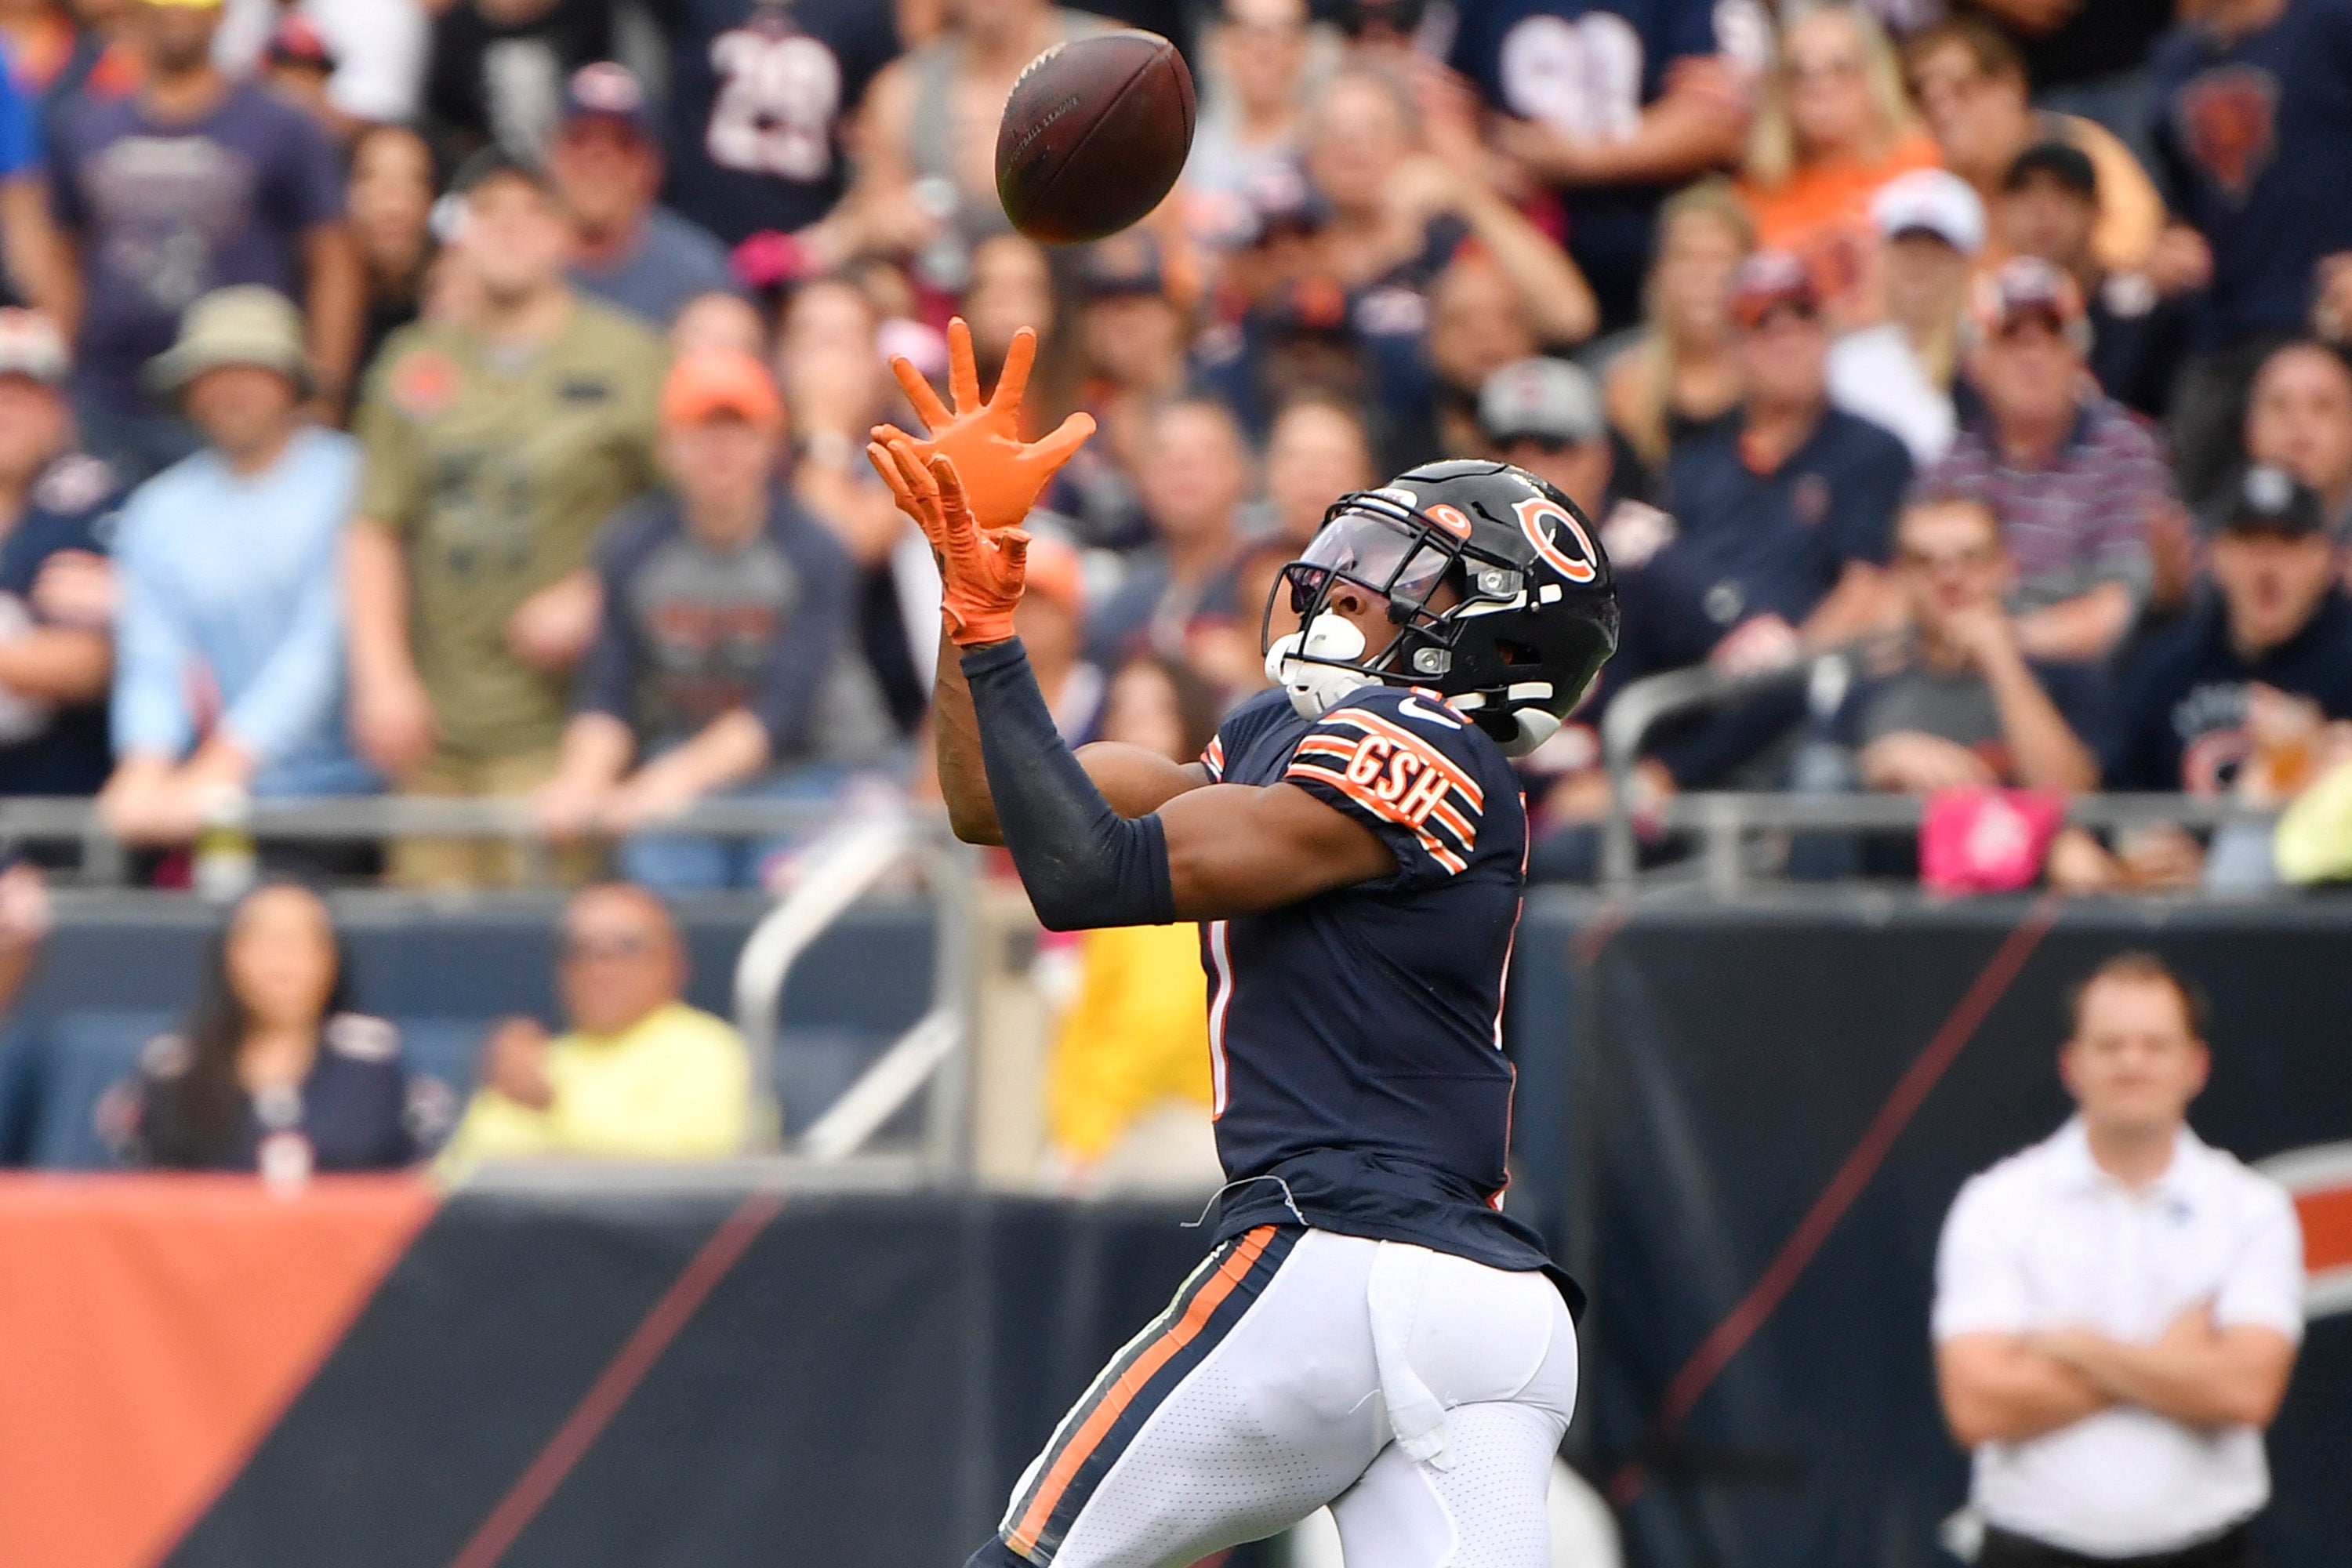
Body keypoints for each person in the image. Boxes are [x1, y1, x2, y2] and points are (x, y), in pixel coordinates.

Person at [869, 309, 1615, 1568]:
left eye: (1407, 572)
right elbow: (992, 803)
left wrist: (998, 633)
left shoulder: (1423, 745)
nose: (1342, 580)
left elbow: (1087, 874)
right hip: (1490, 1318)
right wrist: (970, 593)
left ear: (1488, 632)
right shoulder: (1279, 730)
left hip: (1336, 1258)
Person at [345, 148, 666, 889]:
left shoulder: (630, 357)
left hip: (566, 729)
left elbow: (687, 511)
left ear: (563, 232)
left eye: (531, 211)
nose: (511, 229)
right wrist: (382, 678)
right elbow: (372, 528)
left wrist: (599, 593)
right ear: (459, 234)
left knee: (543, 949)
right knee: (431, 955)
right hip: (434, 728)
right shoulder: (411, 361)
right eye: (490, 212)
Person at [1933, 954, 2302, 1568]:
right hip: (2031, 1552)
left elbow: (2246, 1392)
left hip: (2208, 1553)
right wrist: (2176, 1361)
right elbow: (1976, 1407)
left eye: (2155, 1045)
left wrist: (2078, 1348)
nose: (2132, 1063)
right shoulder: (1996, 1204)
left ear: (2196, 1065)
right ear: (2071, 1065)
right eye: (2110, 1045)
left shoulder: (2254, 1209)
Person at [535, 349, 894, 892]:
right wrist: (581, 782)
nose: (720, 452)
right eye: (701, 433)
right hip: (693, 756)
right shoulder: (633, 543)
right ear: (667, 448)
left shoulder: (812, 548)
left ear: (771, 446)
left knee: (784, 884)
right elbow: (609, 687)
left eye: (739, 432)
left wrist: (659, 785)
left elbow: (783, 712)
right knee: (660, 878)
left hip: (818, 768)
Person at [101, 289, 372, 849]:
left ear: (292, 383)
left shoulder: (353, 480)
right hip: (207, 808)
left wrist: (225, 763)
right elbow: (154, 656)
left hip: (348, 795)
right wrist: (143, 766)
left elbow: (326, 643)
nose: (233, 389)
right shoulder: (159, 508)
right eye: (214, 372)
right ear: (189, 389)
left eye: (254, 369)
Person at [47, 0, 358, 477]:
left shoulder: (282, 125)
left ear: (222, 12)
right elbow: (62, 260)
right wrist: (57, 385)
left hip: (238, 401)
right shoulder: (84, 124)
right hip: (106, 403)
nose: (175, 11)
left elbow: (334, 263)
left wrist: (324, 396)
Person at [2055, 466, 2352, 892]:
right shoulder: (2170, 664)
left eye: (2288, 544)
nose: (2267, 568)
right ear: (2215, 556)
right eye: (2250, 543)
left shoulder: (2344, 656)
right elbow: (2117, 792)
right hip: (2181, 912)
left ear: (2326, 559)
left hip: (2319, 916)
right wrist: (2140, 850)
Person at [1915, 259, 2173, 663]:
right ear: (1975, 363)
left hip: (2083, 675)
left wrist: (1999, 645)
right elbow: (1912, 589)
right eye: (2010, 337)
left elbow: (2118, 608)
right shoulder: (1953, 463)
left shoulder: (2124, 449)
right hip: (1962, 667)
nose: (2032, 355)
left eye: (2051, 336)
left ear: (2078, 355)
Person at [1449, 0, 1756, 332]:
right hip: (1521, 250)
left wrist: (1584, 160)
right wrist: (1481, 169)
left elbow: (1718, 118)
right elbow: (1436, 101)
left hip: (1647, 243)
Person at [2151, 0, 2352, 503]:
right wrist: (2170, 244)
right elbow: (2181, 198)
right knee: (2203, 520)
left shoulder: (2331, 24)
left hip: (2329, 321)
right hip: (2223, 334)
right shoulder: (2175, 59)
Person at [1042, 652, 1219, 1192]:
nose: (1134, 728)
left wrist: (1090, 1135)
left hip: (1171, 1131)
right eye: (1123, 711)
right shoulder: (1108, 854)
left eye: (1156, 711)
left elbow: (1157, 1023)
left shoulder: (1178, 847)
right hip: (1126, 1130)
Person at [1810, 496, 2107, 799]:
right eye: (1924, 562)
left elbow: (2077, 800)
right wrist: (1878, 763)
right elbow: (1816, 781)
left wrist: (2003, 661)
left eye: (1970, 558)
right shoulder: (1871, 687)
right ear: (1902, 577)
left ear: (2005, 568)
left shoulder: (2066, 679)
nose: (1949, 577)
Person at [118, 878, 422, 1174]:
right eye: (265, 941)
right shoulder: (178, 1068)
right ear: (231, 956)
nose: (283, 962)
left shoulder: (371, 1066)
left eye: (301, 941)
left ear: (331, 959)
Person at [442, 881, 754, 1160]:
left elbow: (701, 1163)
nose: (602, 968)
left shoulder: (711, 1050)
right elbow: (465, 1171)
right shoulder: (535, 1058)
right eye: (582, 950)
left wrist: (554, 1109)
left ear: (674, 963)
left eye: (627, 948)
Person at [851, 0, 1105, 288]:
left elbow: (1155, 212)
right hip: (953, 302)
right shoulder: (902, 90)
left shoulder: (1109, 62)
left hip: (1084, 297)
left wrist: (1022, 176)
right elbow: (868, 213)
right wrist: (891, 219)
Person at [1903, 16, 2165, 281]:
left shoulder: (2077, 143)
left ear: (2009, 85)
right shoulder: (1929, 187)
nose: (1942, 113)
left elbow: (2135, 245)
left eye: (1960, 90)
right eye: (1924, 100)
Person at [1735, 2, 1938, 320]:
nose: (1819, 86)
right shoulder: (1754, 193)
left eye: (1841, 69)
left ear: (1875, 79)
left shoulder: (1920, 165)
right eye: (1799, 73)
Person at [651, 0, 901, 252]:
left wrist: (837, 233)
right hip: (693, 227)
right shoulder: (698, 9)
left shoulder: (860, 16)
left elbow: (876, 121)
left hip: (805, 237)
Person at [0, 308, 118, 801]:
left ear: (58, 407)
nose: (5, 411)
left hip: (64, 802)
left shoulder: (94, 502)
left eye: (23, 395)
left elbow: (88, 665)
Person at [1998, 139, 2195, 423]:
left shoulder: (2145, 309)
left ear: (2096, 211)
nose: (2042, 213)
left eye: (2062, 195)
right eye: (2025, 196)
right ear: (2003, 214)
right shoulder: (1990, 318)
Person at [550, 63, 739, 331]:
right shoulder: (508, 257)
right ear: (551, 155)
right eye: (580, 140)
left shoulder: (698, 274)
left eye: (623, 144)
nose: (600, 162)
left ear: (653, 166)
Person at [1827, 169, 1982, 466]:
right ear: (1883, 257)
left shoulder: (1987, 362)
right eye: (1907, 249)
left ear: (1965, 264)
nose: (1920, 265)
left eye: (1936, 250)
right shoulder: (1846, 363)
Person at [1602, 178, 1752, 481]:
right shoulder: (1629, 386)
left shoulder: (1771, 384)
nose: (1703, 275)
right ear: (1659, 273)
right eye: (1686, 257)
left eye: (1719, 259)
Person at [1084, 397, 1249, 670]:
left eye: (1206, 454)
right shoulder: (1124, 600)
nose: (1184, 468)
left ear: (1240, 471)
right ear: (1142, 477)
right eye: (1166, 455)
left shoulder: (1266, 586)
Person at [1182, 0, 1310, 253]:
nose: (1266, 50)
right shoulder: (1185, 147)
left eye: (1283, 34)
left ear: (1304, 47)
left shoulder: (1323, 148)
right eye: (1250, 34)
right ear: (1220, 44)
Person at [420, 0, 609, 166]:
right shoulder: (455, 28)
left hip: (578, 169)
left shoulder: (588, 15)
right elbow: (446, 124)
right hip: (486, 175)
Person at [345, 122, 435, 386]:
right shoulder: (309, 292)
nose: (394, 206)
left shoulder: (457, 300)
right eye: (371, 178)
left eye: (414, 180)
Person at [2241, 340, 2352, 538]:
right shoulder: (2203, 550)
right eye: (2279, 406)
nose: (2299, 423)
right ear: (2249, 429)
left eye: (2322, 407)